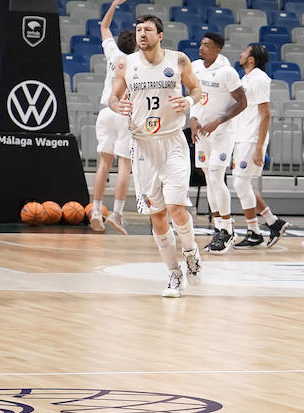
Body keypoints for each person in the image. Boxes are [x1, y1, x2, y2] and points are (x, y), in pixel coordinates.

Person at [109, 15, 205, 298]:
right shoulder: (126, 64)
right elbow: (113, 97)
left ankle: (191, 253)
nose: (141, 34)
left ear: (160, 35)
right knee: (158, 216)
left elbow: (198, 90)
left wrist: (188, 100)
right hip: (142, 146)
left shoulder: (179, 61)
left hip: (173, 141)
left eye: (147, 30)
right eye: (138, 30)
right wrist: (117, 106)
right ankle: (174, 274)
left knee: (177, 207)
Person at [190, 32, 248, 253]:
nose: (201, 47)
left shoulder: (227, 72)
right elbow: (194, 94)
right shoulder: (195, 67)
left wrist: (220, 120)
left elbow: (243, 102)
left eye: (206, 45)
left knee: (215, 175)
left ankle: (227, 228)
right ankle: (219, 227)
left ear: (217, 49)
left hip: (223, 132)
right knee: (209, 179)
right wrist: (193, 118)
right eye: (201, 43)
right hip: (202, 131)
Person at [230, 43, 291, 248]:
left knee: (240, 183)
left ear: (251, 58)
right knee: (244, 184)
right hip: (241, 136)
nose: (240, 53)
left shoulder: (260, 79)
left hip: (251, 138)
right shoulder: (245, 78)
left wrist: (259, 147)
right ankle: (273, 222)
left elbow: (265, 115)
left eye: (244, 51)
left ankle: (254, 231)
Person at [89, 0, 135, 236]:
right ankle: (117, 213)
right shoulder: (139, 63)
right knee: (124, 166)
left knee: (103, 164)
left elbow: (104, 26)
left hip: (106, 112)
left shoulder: (114, 55)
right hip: (125, 114)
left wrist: (115, 5)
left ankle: (96, 210)